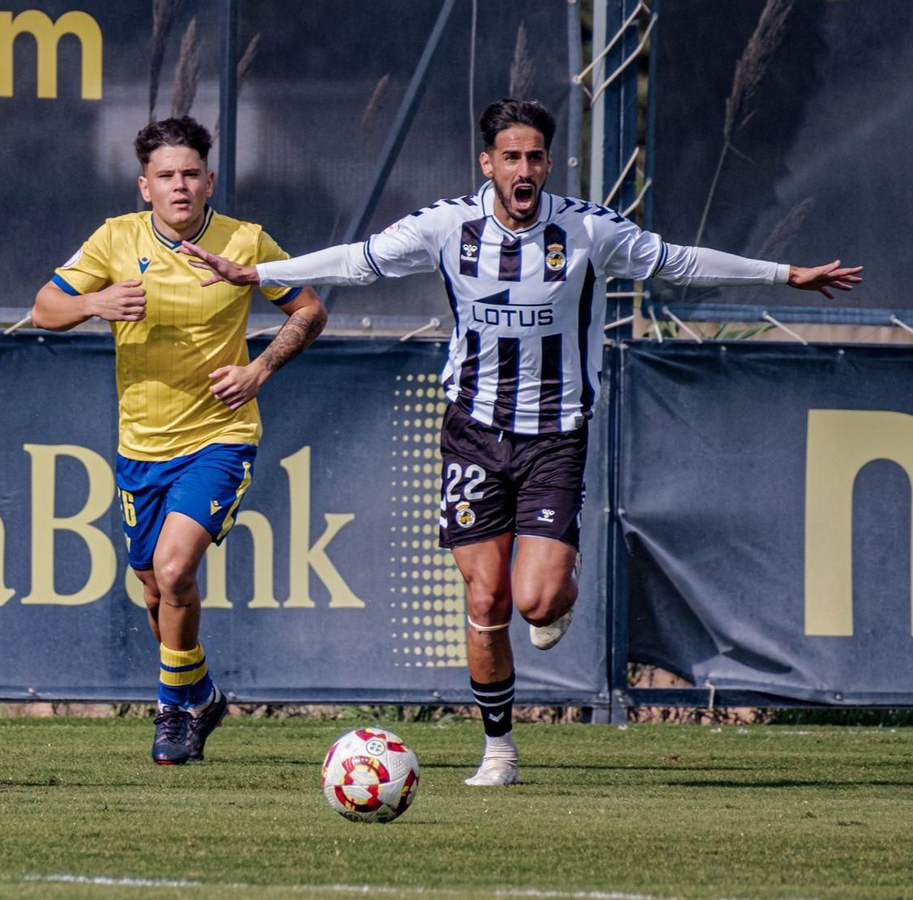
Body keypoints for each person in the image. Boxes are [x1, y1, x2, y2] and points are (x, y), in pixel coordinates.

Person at [181, 98, 863, 785]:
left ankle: (557, 589)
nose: (524, 168)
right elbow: (359, 262)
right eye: (511, 156)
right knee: (486, 602)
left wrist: (785, 276)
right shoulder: (448, 227)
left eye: (536, 156)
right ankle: (499, 748)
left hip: (555, 438)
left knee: (536, 601)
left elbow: (678, 262)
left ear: (548, 163)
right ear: (488, 164)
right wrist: (259, 274)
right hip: (472, 433)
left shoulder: (589, 231)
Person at [32, 116, 328, 765]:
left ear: (209, 179)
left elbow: (309, 308)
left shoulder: (242, 241)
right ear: (145, 186)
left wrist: (259, 368)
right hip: (141, 445)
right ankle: (199, 693)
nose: (180, 185)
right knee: (152, 588)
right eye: (166, 175)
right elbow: (44, 308)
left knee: (174, 570)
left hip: (220, 437)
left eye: (191, 173)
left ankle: (170, 711)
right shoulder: (115, 240)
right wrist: (94, 304)